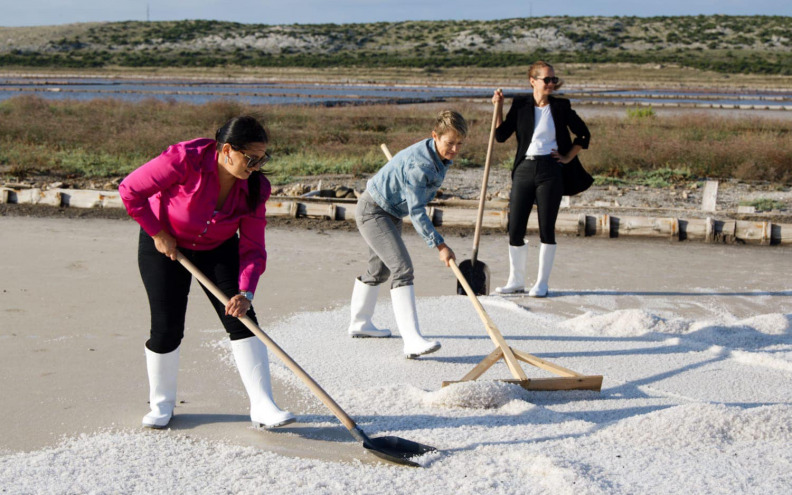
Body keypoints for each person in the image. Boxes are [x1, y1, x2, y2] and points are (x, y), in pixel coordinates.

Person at [119, 116, 295, 430]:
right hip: (166, 243)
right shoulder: (184, 159)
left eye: (262, 158)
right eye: (250, 158)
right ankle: (162, 405)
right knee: (166, 326)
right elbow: (130, 191)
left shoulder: (256, 187)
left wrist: (246, 291)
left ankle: (263, 405)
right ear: (228, 150)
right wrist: (157, 233)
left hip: (218, 247)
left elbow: (253, 246)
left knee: (242, 318)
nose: (256, 166)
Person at [347, 110, 467, 358]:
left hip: (390, 211)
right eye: (449, 143)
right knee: (402, 268)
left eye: (459, 144)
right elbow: (417, 212)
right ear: (435, 136)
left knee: (379, 270)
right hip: (373, 212)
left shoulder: (436, 156)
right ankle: (412, 340)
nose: (454, 149)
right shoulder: (421, 164)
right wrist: (440, 245)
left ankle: (360, 324)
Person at [492, 61, 591, 297]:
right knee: (515, 228)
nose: (551, 83)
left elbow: (584, 134)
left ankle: (541, 283)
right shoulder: (521, 105)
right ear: (532, 81)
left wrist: (567, 157)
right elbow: (500, 135)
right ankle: (516, 281)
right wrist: (498, 107)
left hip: (550, 170)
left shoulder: (561, 106)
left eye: (553, 79)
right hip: (524, 168)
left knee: (547, 227)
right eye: (546, 79)